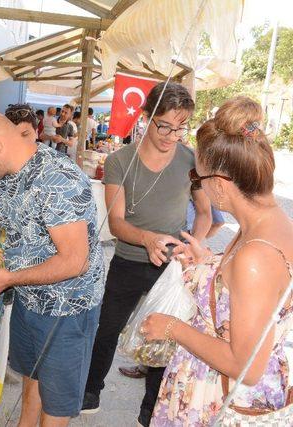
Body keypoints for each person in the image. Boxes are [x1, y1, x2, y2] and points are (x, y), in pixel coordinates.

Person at [144, 96, 293, 425]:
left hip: (222, 400)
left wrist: (172, 328)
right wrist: (209, 265)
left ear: (220, 184)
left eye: (198, 178)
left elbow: (247, 367)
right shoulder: (266, 223)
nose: (199, 186)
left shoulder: (257, 252)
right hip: (218, 389)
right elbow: (246, 297)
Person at [0, 111, 105, 426]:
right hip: (29, 297)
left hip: (67, 308)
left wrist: (10, 279)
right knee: (32, 376)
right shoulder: (0, 179)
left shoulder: (58, 178)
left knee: (56, 403)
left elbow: (75, 261)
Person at [81, 82, 212, 427]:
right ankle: (91, 390)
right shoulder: (119, 161)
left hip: (172, 270)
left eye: (180, 127)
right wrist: (148, 238)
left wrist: (191, 247)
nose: (171, 135)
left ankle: (150, 410)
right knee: (107, 328)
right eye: (164, 125)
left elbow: (206, 214)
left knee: (165, 337)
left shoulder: (191, 160)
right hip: (128, 261)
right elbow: (117, 221)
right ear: (146, 117)